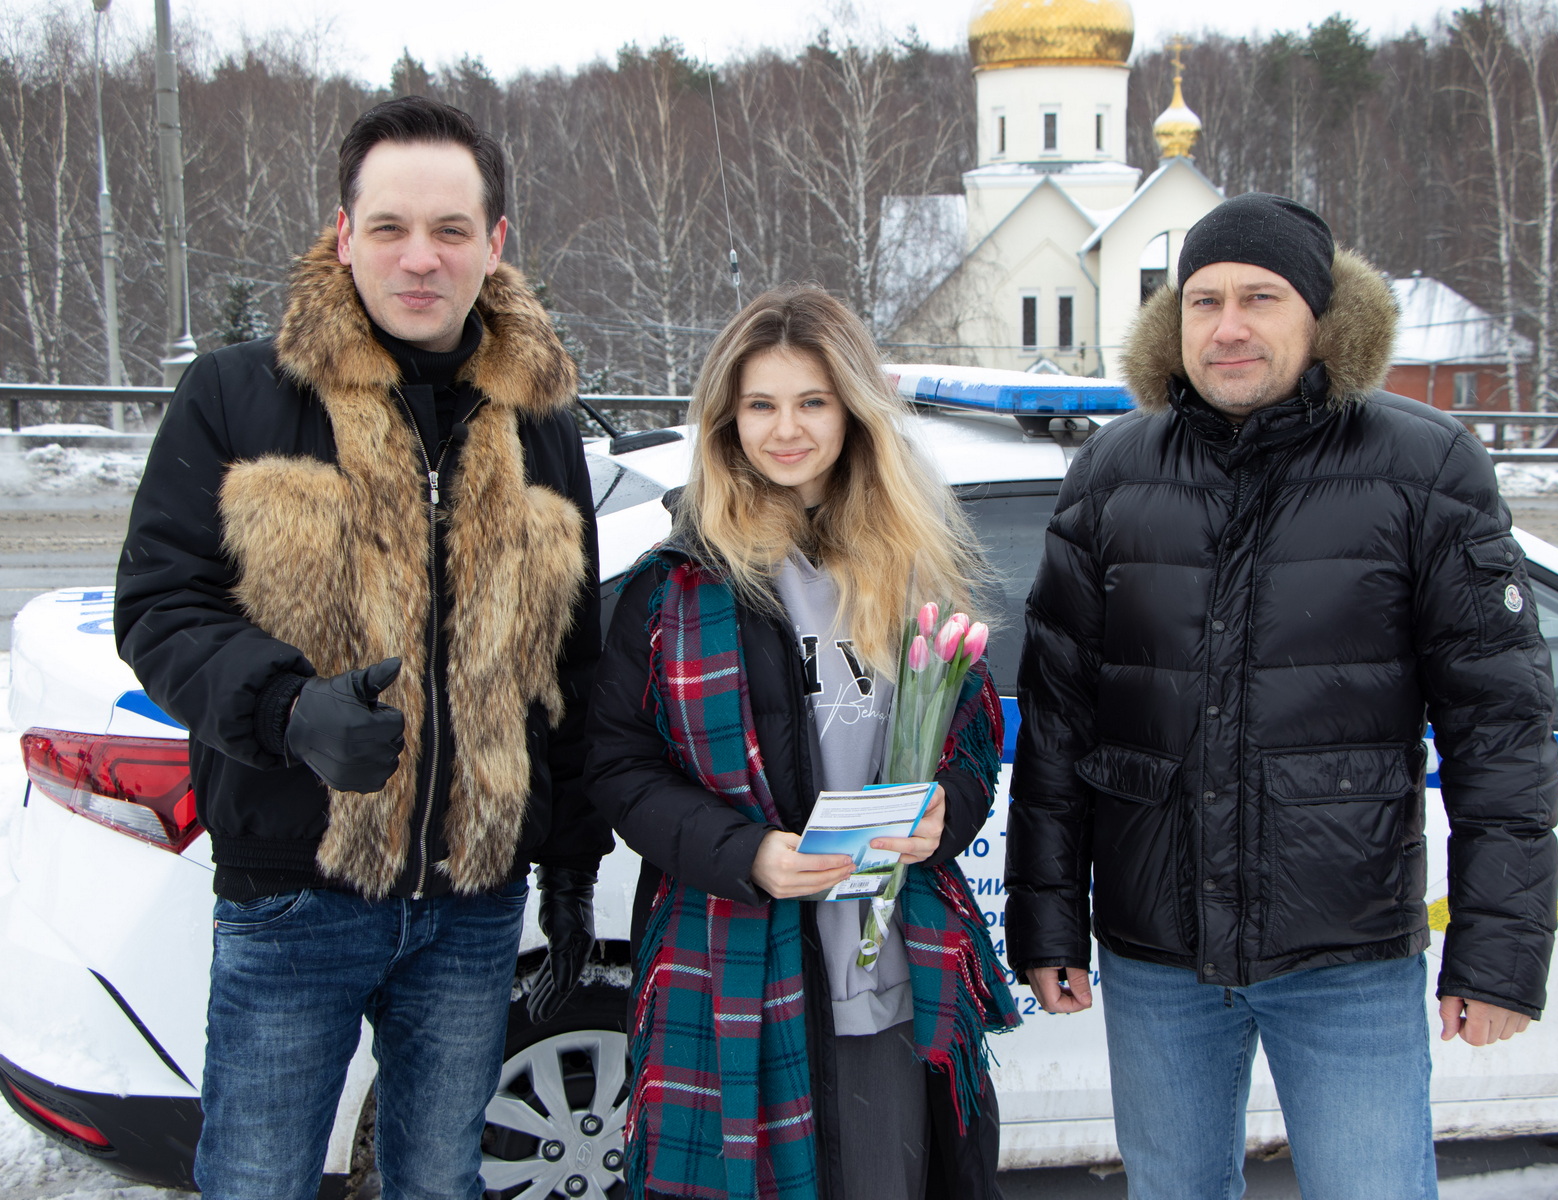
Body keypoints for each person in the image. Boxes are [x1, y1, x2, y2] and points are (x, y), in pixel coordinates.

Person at [1006, 193, 1558, 1199]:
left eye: (1259, 298)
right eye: (1203, 300)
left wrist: (1499, 951)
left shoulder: (1424, 467)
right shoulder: (1112, 473)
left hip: (1344, 952)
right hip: (1156, 953)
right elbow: (1057, 723)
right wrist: (1045, 922)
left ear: (1321, 315)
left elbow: (1499, 730)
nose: (1227, 327)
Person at [114, 96, 609, 1200]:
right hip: (296, 890)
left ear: (495, 244)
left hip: (476, 906)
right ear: (343, 235)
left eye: (449, 230)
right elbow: (159, 606)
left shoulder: (543, 427)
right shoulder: (239, 396)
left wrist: (571, 862)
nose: (419, 258)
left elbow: (571, 667)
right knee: (258, 1180)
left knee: (439, 1180)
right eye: (389, 227)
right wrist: (288, 711)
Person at [586, 285, 1019, 1200]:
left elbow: (971, 734)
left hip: (896, 964)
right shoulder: (678, 587)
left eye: (813, 401)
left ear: (852, 411)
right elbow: (620, 770)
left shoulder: (912, 562)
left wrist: (950, 805)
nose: (787, 429)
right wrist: (747, 854)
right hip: (737, 965)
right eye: (761, 405)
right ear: (726, 419)